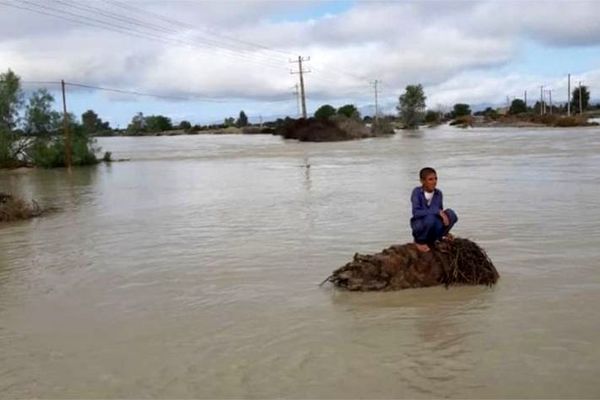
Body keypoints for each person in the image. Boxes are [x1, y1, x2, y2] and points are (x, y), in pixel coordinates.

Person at [410, 167, 458, 252]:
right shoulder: (416, 192)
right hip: (420, 225)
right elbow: (416, 213)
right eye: (430, 179)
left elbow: (440, 212)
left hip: (433, 223)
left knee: (451, 214)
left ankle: (440, 236)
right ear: (422, 181)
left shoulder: (438, 193)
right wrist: (436, 211)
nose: (434, 182)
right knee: (430, 218)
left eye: (436, 178)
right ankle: (419, 241)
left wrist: (443, 216)